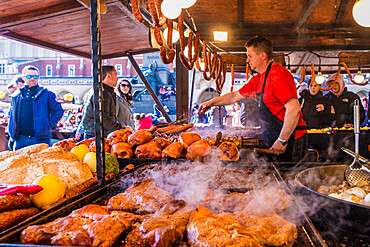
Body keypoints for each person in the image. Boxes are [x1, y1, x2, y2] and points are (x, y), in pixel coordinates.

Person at [199, 36, 307, 161]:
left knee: (288, 179)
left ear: (262, 55)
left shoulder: (279, 74)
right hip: (274, 138)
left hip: (291, 139)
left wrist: (282, 139)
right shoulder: (258, 79)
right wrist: (210, 103)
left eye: (250, 56)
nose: (247, 60)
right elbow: (235, 96)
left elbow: (294, 109)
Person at [8, 65, 64, 150]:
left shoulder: (47, 94)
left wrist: (48, 125)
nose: (32, 78)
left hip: (40, 138)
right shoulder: (16, 95)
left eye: (35, 76)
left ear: (39, 78)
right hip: (20, 138)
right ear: (23, 77)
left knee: (41, 163)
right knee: (19, 163)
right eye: (29, 76)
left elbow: (59, 110)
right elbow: (11, 114)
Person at [79, 66, 122, 139]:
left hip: (91, 132)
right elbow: (103, 118)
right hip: (98, 135)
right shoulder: (102, 92)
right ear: (108, 75)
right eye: (116, 75)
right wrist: (121, 129)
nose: (117, 79)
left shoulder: (91, 91)